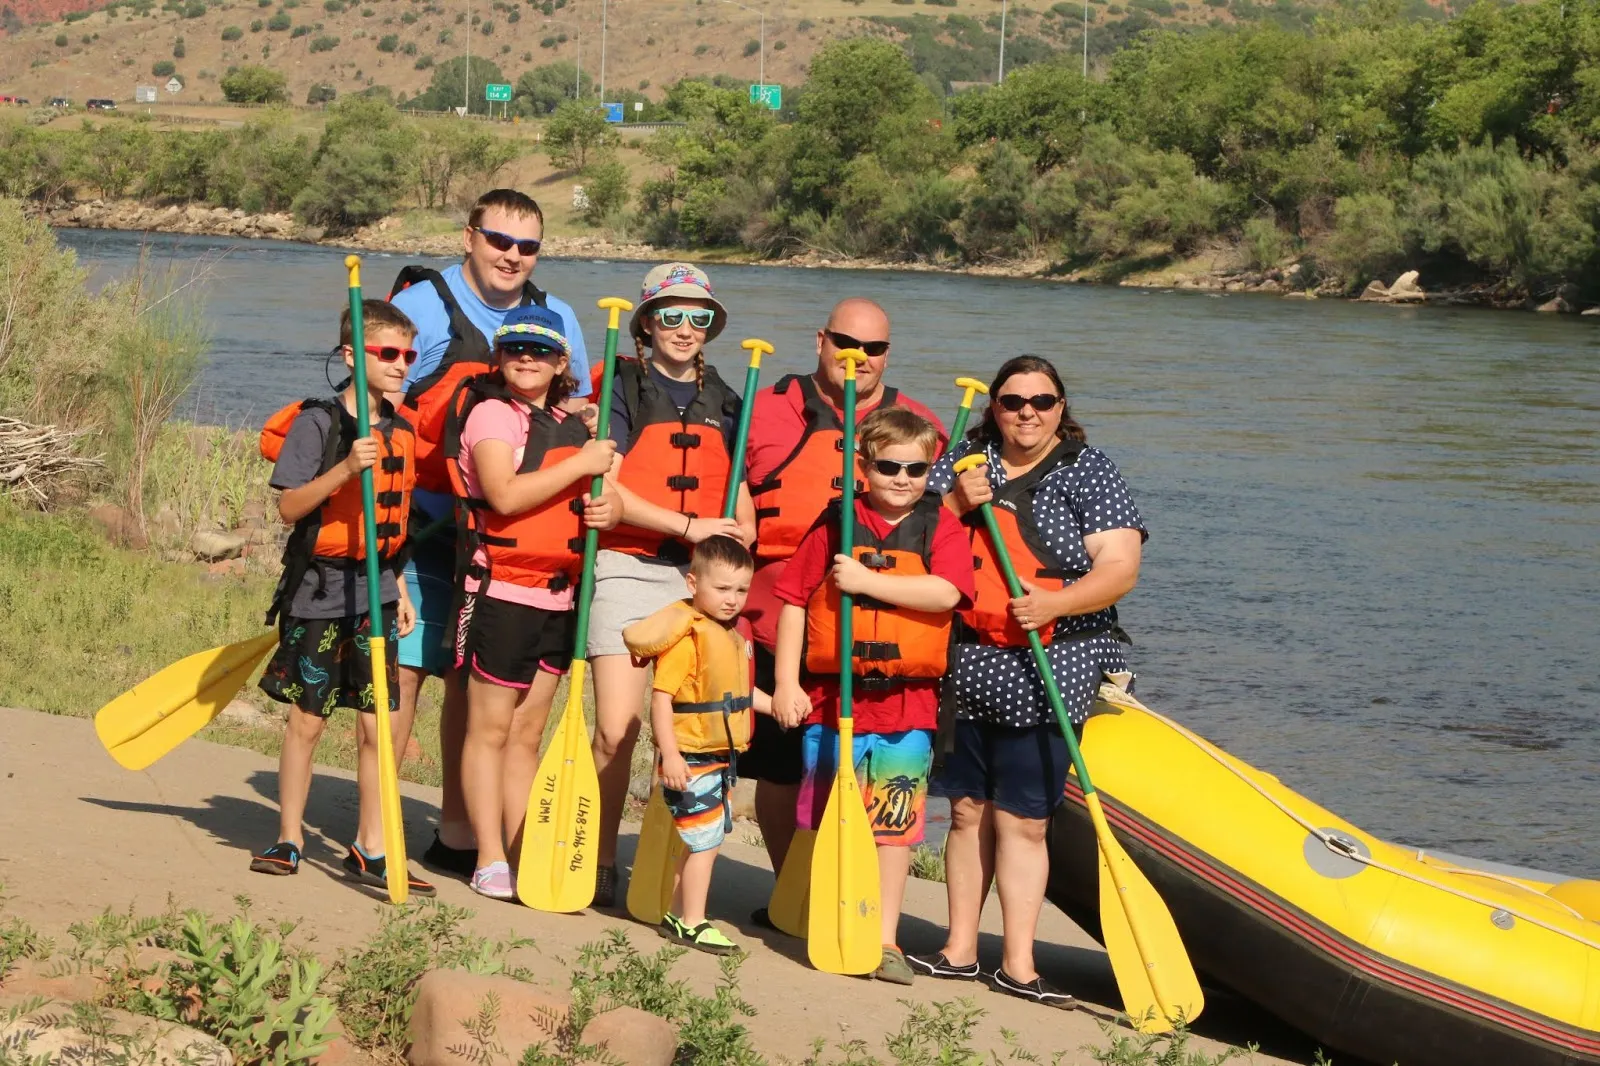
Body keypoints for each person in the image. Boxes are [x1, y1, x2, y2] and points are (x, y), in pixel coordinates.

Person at [915, 355, 1146, 1009]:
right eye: (1013, 401)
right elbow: (913, 536)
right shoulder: (963, 463)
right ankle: (959, 950)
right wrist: (954, 504)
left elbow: (1121, 567)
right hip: (968, 662)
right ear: (994, 407)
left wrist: (1055, 604)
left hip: (1051, 664)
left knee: (1024, 821)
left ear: (1060, 408)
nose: (1027, 413)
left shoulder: (1089, 471)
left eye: (1042, 401)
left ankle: (1018, 962)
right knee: (966, 813)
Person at [388, 189, 593, 880]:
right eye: (499, 240)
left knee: (469, 688)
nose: (512, 256)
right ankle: (378, 831)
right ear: (470, 236)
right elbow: (379, 398)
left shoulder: (558, 316)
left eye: (527, 246)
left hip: (503, 551)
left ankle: (460, 833)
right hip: (420, 524)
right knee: (405, 674)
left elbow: (574, 416)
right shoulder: (424, 306)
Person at [739, 298, 946, 917]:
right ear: (821, 340)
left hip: (875, 643)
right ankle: (795, 896)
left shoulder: (920, 427)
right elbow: (729, 491)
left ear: (889, 354)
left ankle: (860, 910)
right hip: (776, 624)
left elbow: (943, 527)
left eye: (873, 348)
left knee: (871, 782)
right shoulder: (761, 408)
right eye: (846, 343)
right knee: (783, 772)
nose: (858, 357)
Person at [770, 408, 974, 984]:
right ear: (863, 465)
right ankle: (826, 912)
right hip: (832, 704)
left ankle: (884, 938)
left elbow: (948, 593)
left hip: (908, 709)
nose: (902, 479)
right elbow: (793, 601)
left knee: (893, 826)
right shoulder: (836, 523)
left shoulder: (941, 526)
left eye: (916, 469)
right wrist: (785, 682)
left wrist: (868, 582)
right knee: (826, 817)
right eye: (888, 467)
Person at [250, 300, 434, 896]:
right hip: (320, 590)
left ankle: (371, 847)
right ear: (353, 355)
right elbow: (289, 508)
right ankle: (289, 838)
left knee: (378, 726)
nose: (401, 364)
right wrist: (345, 470)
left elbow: (392, 524)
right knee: (307, 720)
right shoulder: (320, 423)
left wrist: (399, 587)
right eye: (389, 353)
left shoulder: (401, 431)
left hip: (376, 593)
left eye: (408, 355)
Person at [586, 263, 750, 907]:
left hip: (699, 587)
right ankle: (598, 857)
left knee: (686, 738)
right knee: (616, 729)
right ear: (647, 323)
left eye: (699, 316)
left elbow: (741, 500)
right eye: (671, 315)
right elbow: (611, 493)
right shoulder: (621, 385)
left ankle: (665, 872)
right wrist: (689, 525)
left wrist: (738, 540)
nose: (685, 328)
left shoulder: (728, 399)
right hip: (628, 567)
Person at [443, 306, 620, 900]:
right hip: (500, 592)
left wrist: (608, 500)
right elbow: (503, 495)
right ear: (500, 356)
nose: (526, 358)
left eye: (540, 351)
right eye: (515, 348)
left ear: (562, 362)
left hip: (558, 598)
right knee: (490, 729)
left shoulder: (572, 426)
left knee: (526, 734)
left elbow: (597, 495)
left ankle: (521, 852)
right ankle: (488, 857)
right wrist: (584, 463)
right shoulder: (493, 413)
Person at [621, 535, 771, 953]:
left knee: (703, 840)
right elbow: (661, 700)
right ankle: (693, 921)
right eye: (721, 588)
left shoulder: (729, 635)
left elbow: (738, 694)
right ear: (693, 583)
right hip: (690, 758)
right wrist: (669, 755)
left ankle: (676, 914)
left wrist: (776, 706)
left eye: (741, 590)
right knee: (705, 844)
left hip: (716, 758)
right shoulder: (688, 639)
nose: (732, 599)